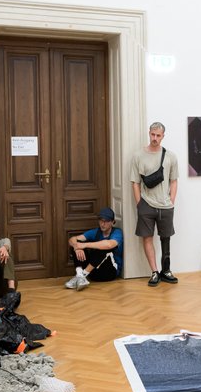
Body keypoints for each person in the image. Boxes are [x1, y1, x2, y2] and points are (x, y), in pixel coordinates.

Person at [130, 121, 180, 287]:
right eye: (152, 134)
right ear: (149, 133)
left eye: (158, 135)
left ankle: (166, 270)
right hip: (146, 204)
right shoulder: (138, 156)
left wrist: (171, 200)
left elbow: (174, 180)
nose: (155, 138)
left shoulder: (171, 156)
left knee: (166, 238)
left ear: (163, 136)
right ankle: (154, 272)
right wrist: (140, 204)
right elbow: (135, 182)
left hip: (166, 205)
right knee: (147, 238)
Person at [66, 208, 123, 291]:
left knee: (104, 246)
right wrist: (77, 246)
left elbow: (109, 244)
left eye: (106, 221)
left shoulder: (117, 232)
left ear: (113, 222)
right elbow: (72, 239)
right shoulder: (96, 232)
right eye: (101, 220)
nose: (102, 224)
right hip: (93, 273)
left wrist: (84, 245)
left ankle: (82, 276)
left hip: (109, 273)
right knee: (76, 243)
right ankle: (80, 275)